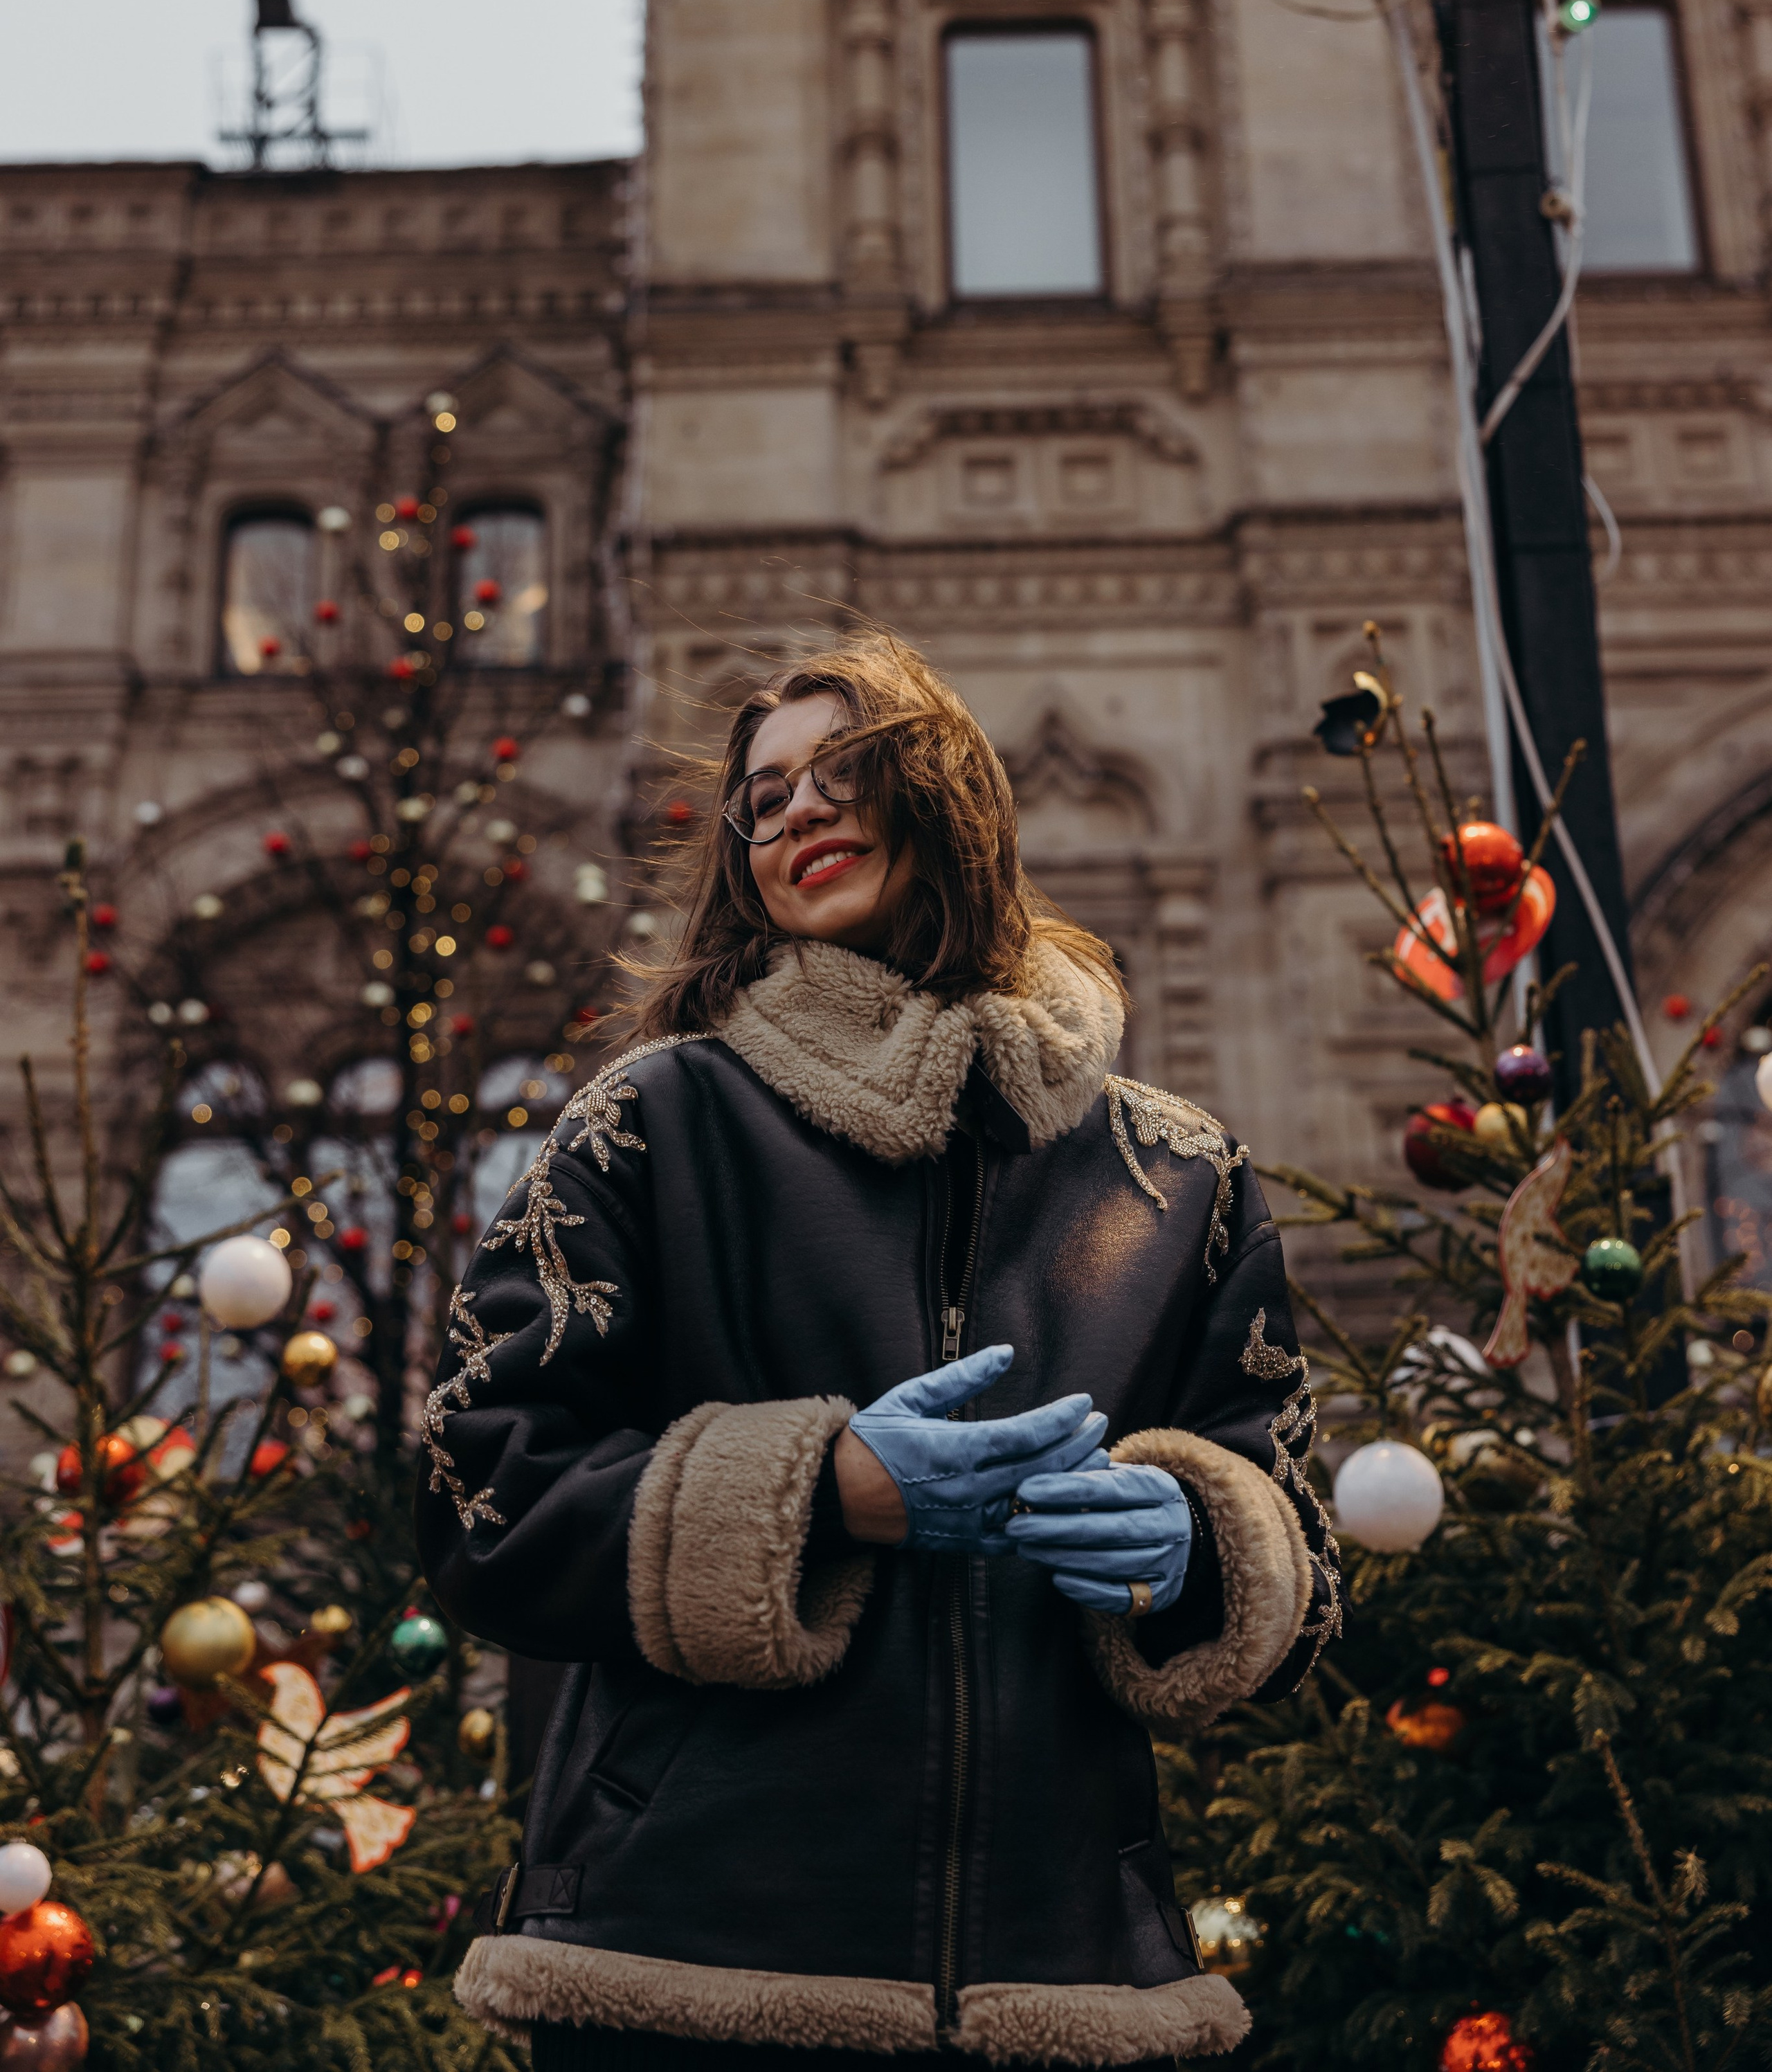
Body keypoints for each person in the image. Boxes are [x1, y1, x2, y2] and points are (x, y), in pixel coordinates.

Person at [419, 633, 1340, 2072]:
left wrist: (1201, 1542)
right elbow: (479, 1491)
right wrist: (820, 1488)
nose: (796, 809)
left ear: (950, 796)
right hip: (685, 1967)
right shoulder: (651, 1122)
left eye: (839, 771)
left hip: (1064, 1984)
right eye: (762, 794)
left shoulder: (1177, 1176)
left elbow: (1305, 1548)